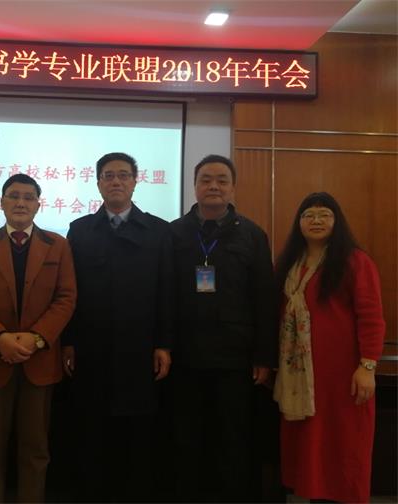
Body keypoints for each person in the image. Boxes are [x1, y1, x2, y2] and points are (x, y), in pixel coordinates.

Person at [0, 173, 76, 503]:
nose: (21, 202)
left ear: (38, 204)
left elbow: (66, 297)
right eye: (13, 196)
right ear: (2, 203)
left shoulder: (58, 245)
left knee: (35, 448)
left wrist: (36, 338)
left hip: (39, 360)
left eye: (28, 197)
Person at [63, 152, 173, 502]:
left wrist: (164, 344)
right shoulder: (80, 230)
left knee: (138, 432)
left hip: (139, 348)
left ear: (135, 182)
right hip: (92, 348)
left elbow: (167, 291)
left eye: (123, 175)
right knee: (92, 431)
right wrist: (68, 342)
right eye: (108, 175)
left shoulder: (159, 230)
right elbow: (69, 293)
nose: (116, 181)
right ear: (98, 183)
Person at [169, 154, 277, 502]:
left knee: (233, 437)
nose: (213, 186)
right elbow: (163, 294)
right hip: (185, 355)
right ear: (194, 186)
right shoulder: (173, 233)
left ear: (233, 188)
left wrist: (264, 356)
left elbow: (264, 298)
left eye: (221, 180)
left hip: (236, 358)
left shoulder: (252, 234)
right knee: (186, 437)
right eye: (206, 179)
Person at [273, 192, 385, 503]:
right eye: (309, 215)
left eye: (325, 215)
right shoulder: (288, 264)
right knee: (310, 450)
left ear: (337, 222)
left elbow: (371, 316)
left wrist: (368, 366)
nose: (316, 221)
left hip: (343, 377)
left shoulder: (355, 261)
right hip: (300, 376)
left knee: (343, 446)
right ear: (299, 223)